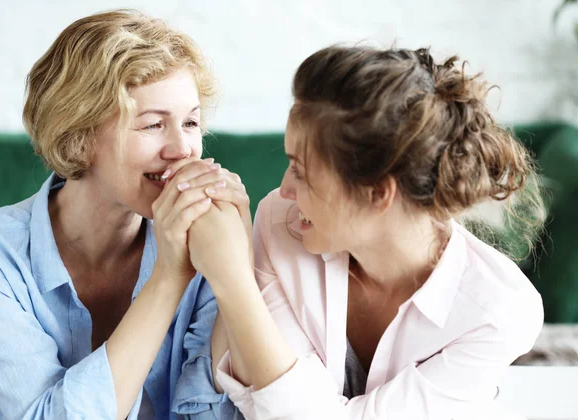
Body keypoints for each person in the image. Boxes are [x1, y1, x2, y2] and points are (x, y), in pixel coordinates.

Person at [190, 46, 546, 419]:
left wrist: (233, 278)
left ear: (378, 193)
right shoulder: (282, 221)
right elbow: (262, 391)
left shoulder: (498, 312)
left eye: (302, 171)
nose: (285, 189)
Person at [0, 10, 246, 419]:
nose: (183, 149)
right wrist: (169, 278)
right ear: (79, 137)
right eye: (152, 125)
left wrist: (240, 268)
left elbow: (211, 414)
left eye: (191, 122)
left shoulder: (210, 243)